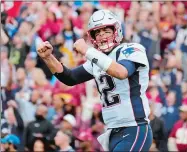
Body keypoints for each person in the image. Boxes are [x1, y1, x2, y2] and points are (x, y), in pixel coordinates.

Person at [37, 9, 152, 151]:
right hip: (112, 130)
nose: (102, 35)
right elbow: (70, 78)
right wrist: (48, 58)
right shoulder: (96, 61)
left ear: (117, 31)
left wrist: (87, 51)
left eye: (106, 31)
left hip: (134, 127)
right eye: (97, 32)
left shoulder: (131, 49)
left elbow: (121, 72)